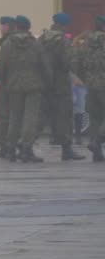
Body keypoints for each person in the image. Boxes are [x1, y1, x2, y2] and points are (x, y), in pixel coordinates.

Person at [0, 15, 51, 163]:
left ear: (16, 27)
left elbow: (1, 67)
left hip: (14, 86)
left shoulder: (7, 44)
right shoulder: (35, 44)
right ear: (28, 28)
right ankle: (26, 149)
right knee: (30, 118)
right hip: (34, 86)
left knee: (14, 117)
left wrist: (6, 81)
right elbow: (45, 66)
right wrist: (48, 82)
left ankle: (10, 149)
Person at [37, 13, 85, 161]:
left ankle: (25, 144)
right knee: (64, 116)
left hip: (44, 83)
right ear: (63, 25)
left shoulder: (43, 38)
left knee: (40, 115)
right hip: (61, 84)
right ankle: (67, 150)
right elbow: (66, 62)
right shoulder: (62, 40)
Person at [73, 15, 105, 162]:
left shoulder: (85, 43)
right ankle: (97, 140)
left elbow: (76, 64)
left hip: (91, 86)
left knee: (95, 118)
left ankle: (96, 153)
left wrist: (85, 79)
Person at [0, 16, 16, 159]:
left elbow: (1, 68)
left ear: (9, 26)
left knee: (5, 117)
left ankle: (5, 147)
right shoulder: (20, 41)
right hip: (17, 84)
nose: (0, 28)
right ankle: (12, 145)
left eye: (2, 26)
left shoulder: (7, 43)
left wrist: (3, 81)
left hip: (7, 85)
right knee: (15, 116)